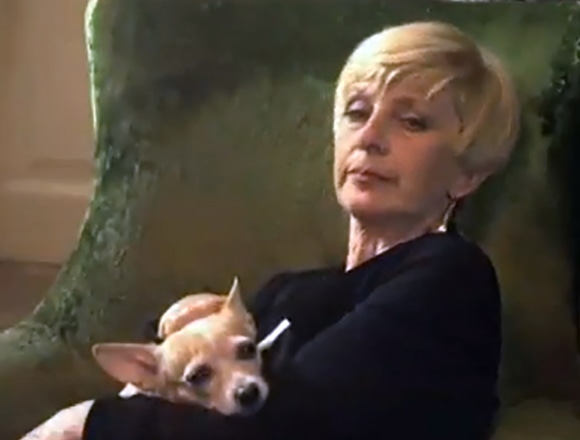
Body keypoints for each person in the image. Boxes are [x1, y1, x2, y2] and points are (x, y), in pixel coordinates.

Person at [21, 20, 520, 440]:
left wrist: (87, 422)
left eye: (411, 121)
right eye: (356, 112)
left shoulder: (450, 276)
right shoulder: (287, 293)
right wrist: (177, 337)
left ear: (468, 173)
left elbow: (284, 424)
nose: (370, 137)